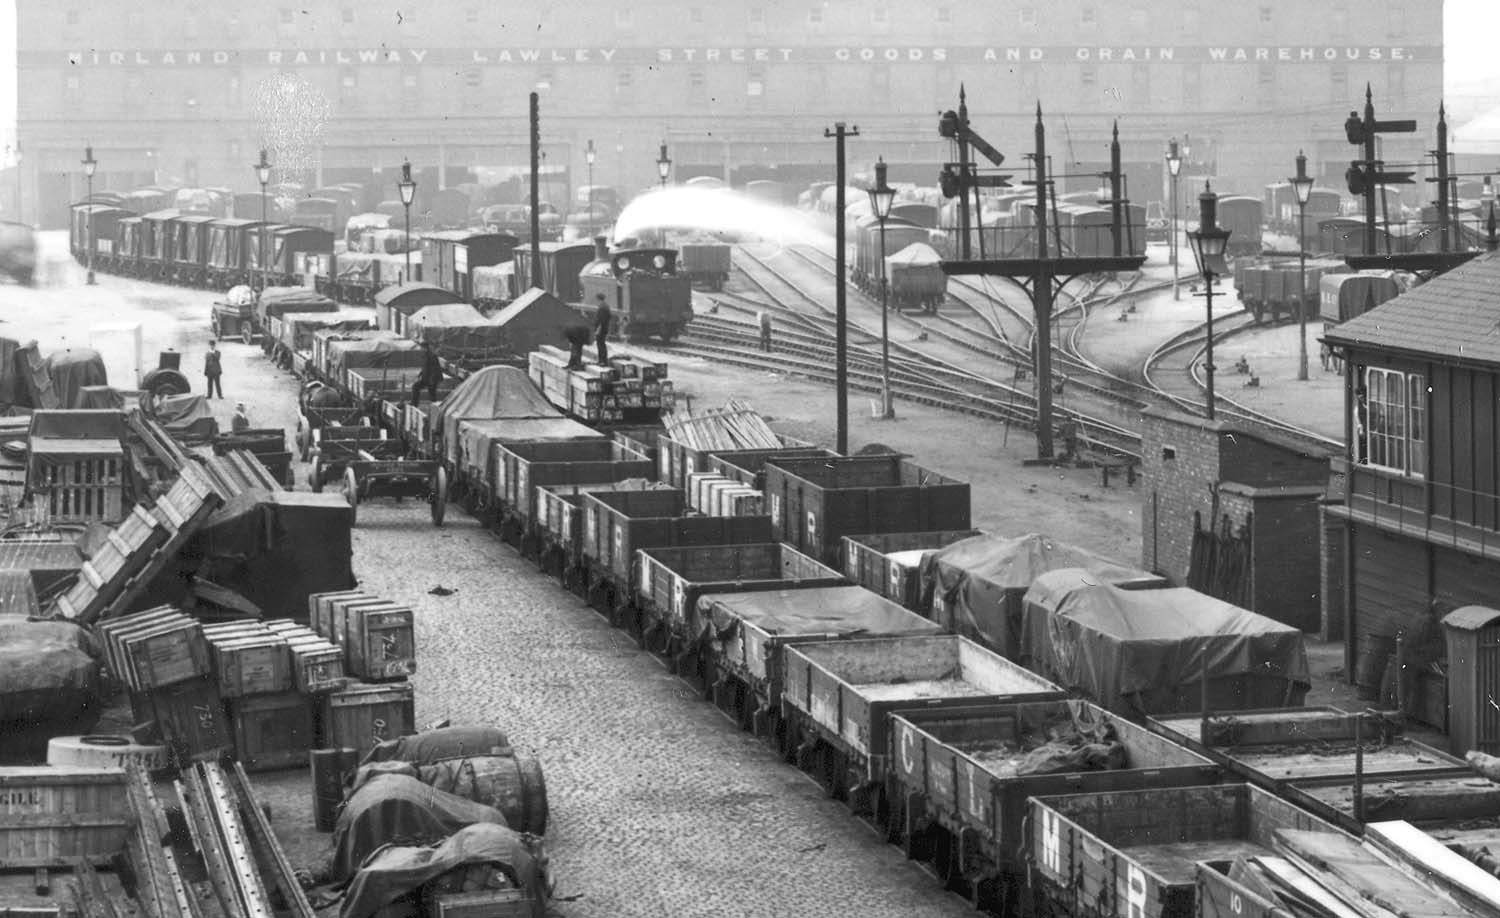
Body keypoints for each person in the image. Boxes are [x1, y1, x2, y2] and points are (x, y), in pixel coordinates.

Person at [411, 340, 443, 406]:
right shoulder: (425, 355)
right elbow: (426, 366)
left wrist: (432, 380)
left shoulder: (432, 356)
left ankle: (434, 408)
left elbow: (435, 368)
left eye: (422, 348)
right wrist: (421, 373)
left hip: (432, 379)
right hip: (427, 378)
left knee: (432, 395)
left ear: (425, 348)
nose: (421, 349)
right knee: (415, 387)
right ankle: (414, 404)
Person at [593, 293, 612, 366]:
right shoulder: (606, 306)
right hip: (604, 328)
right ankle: (603, 360)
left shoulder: (602, 307)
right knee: (602, 344)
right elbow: (609, 317)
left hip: (601, 329)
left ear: (598, 299)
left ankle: (602, 361)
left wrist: (598, 329)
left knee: (600, 345)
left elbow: (601, 320)